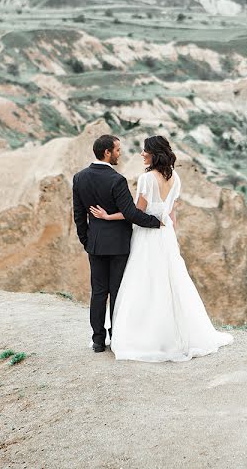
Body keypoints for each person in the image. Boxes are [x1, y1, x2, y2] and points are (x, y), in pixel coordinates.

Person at [89, 135, 233, 362]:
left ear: (154, 154)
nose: (141, 154)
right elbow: (172, 215)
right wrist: (171, 239)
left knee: (144, 284)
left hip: (147, 236)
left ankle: (145, 336)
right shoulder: (175, 178)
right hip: (165, 236)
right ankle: (173, 335)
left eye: (145, 151)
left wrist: (108, 216)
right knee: (170, 284)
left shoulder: (147, 179)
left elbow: (135, 214)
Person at [72, 134, 162, 353]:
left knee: (98, 292)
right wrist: (156, 222)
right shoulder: (116, 180)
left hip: (95, 244)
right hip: (119, 245)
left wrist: (86, 240)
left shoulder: (79, 178)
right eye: (118, 150)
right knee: (117, 292)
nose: (119, 154)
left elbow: (78, 214)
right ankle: (116, 336)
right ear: (107, 153)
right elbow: (131, 213)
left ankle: (97, 340)